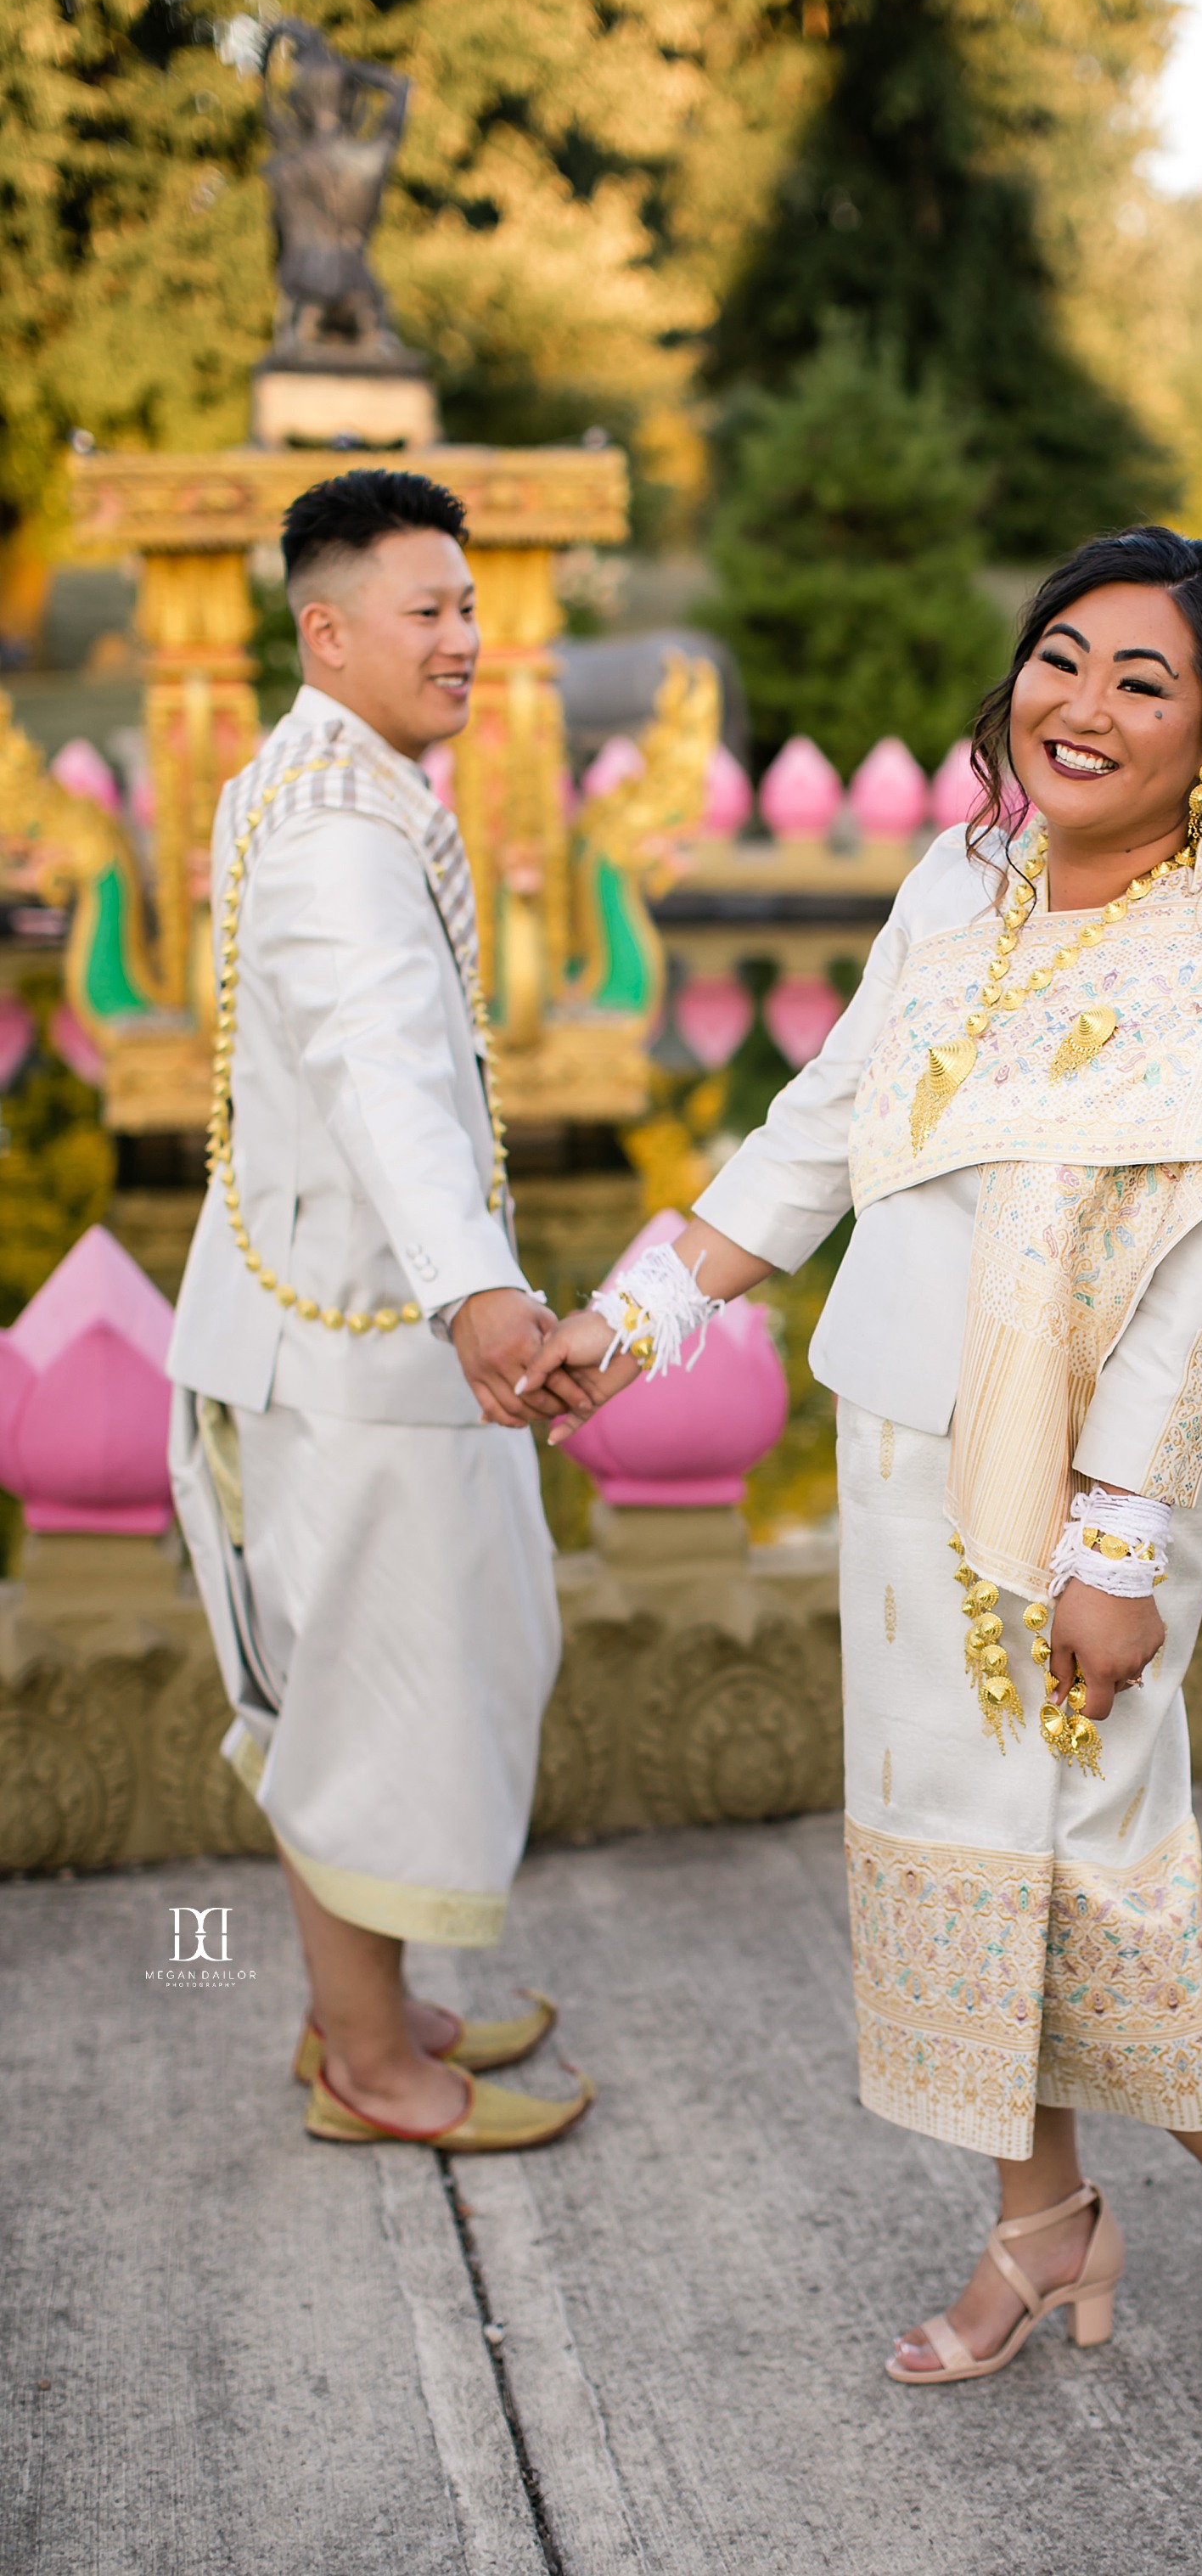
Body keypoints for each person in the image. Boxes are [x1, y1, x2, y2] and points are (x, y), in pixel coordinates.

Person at [525, 526, 1202, 2415]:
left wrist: (1115, 1549)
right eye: (1058, 659)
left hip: (1074, 1499)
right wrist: (639, 1315)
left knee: (1100, 1898)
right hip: (900, 1457)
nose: (1079, 706)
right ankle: (1037, 2221)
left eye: (1141, 681)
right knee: (967, 1873)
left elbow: (1197, 1296)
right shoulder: (963, 879)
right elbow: (825, 1126)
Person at [169, 467, 589, 2154]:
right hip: (348, 1355)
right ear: (325, 631)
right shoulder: (336, 840)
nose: (467, 642)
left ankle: (369, 2007)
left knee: (391, 1683)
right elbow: (388, 1082)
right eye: (429, 612)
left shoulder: (306, 781)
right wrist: (481, 1293)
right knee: (369, 1705)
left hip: (338, 1328)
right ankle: (369, 2068)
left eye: (471, 607)